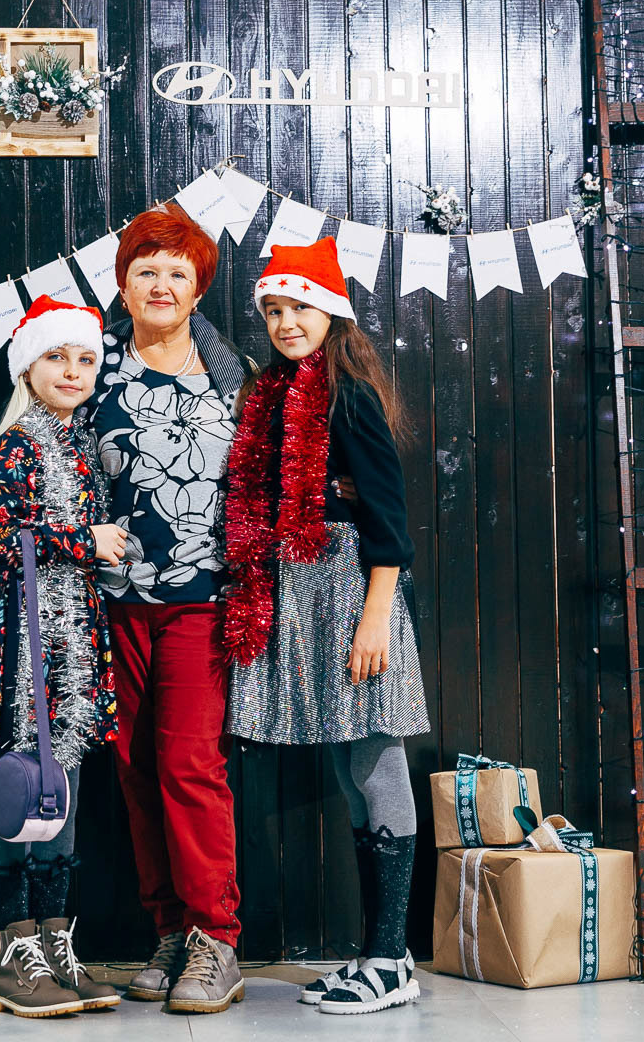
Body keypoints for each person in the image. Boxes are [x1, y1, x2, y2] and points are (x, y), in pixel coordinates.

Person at [224, 238, 431, 1015]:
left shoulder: (348, 395)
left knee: (377, 764)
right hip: (310, 595)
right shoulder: (279, 395)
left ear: (332, 312)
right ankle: (383, 953)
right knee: (351, 777)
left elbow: (389, 519)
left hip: (355, 597)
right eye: (274, 310)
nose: (286, 322)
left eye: (299, 307)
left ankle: (390, 960)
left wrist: (376, 617)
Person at [80, 202, 250, 1013]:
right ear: (122, 284)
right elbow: (52, 459)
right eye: (145, 270)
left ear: (197, 289)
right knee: (135, 768)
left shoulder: (231, 374)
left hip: (200, 602)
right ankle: (172, 930)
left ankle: (217, 937)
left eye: (176, 273)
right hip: (111, 604)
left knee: (190, 766)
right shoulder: (92, 365)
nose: (160, 285)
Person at [0, 295, 130, 1017]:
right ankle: (8, 956)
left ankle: (54, 947)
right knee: (22, 787)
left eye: (85, 359)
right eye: (57, 356)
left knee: (64, 789)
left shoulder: (79, 443)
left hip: (73, 635)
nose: (73, 370)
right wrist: (85, 541)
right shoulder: (19, 443)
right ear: (28, 366)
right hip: (23, 639)